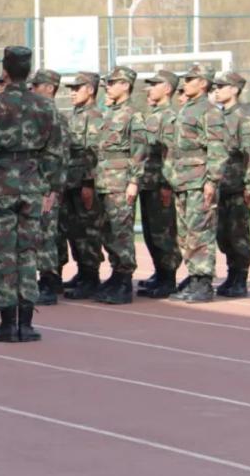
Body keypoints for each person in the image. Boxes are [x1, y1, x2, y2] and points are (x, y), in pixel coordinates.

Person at [0, 46, 62, 343]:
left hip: (1, 185)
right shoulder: (45, 106)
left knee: (2, 253)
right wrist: (51, 186)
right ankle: (26, 322)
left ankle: (8, 322)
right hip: (33, 184)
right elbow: (55, 150)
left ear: (5, 71)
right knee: (28, 252)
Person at [166, 65, 227, 303]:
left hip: (199, 181)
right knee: (186, 234)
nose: (185, 83)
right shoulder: (187, 109)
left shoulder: (210, 112)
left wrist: (212, 181)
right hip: (183, 180)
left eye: (191, 79)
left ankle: (203, 282)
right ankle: (194, 277)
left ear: (203, 83)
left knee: (200, 233)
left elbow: (217, 148)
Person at [91, 67, 147, 304]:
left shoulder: (133, 115)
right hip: (104, 181)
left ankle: (124, 279)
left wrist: (134, 181)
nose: (108, 86)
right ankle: (116, 274)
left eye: (113, 82)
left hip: (121, 182)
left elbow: (139, 151)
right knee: (108, 231)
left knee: (121, 231)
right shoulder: (109, 114)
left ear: (126, 85)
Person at [136, 70, 182, 298]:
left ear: (167, 89)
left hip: (160, 183)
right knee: (151, 232)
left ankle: (168, 277)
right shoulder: (152, 115)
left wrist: (166, 184)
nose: (150, 88)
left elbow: (170, 153)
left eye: (155, 84)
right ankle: (160, 272)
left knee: (163, 232)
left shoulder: (170, 117)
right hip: (147, 181)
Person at [212, 71, 250, 297]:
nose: (217, 90)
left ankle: (240, 278)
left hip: (237, 186)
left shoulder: (243, 118)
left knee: (238, 233)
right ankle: (231, 275)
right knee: (223, 234)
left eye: (221, 87)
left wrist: (249, 185)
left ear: (234, 90)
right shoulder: (218, 117)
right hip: (220, 185)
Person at [60, 73, 104, 299]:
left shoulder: (95, 116)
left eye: (78, 88)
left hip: (84, 183)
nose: (72, 92)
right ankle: (82, 272)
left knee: (88, 230)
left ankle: (91, 275)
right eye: (72, 88)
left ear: (91, 90)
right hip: (70, 181)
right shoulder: (73, 116)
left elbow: (94, 153)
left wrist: (88, 183)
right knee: (74, 230)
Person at [28, 69, 68, 305]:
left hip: (47, 186)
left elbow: (59, 157)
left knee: (46, 234)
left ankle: (49, 281)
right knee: (40, 233)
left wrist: (51, 189)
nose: (31, 89)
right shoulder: (38, 114)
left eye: (36, 86)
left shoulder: (53, 117)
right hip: (37, 183)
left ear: (50, 88)